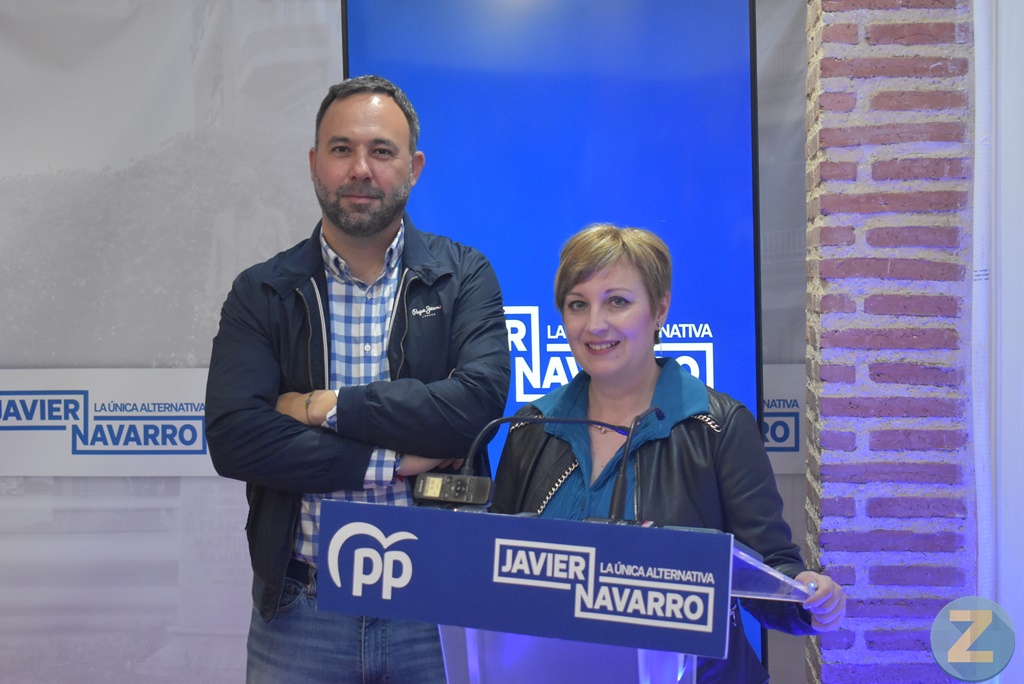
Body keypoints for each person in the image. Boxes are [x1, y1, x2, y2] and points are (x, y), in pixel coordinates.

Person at [205, 75, 511, 684]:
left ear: (414, 166)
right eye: (342, 149)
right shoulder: (261, 291)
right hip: (301, 613)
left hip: (439, 606)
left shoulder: (464, 275)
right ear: (315, 162)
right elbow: (237, 436)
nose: (361, 169)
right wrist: (392, 463)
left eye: (382, 150)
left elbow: (475, 406)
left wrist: (322, 406)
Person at [490, 223, 844, 683]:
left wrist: (808, 599)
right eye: (578, 304)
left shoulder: (718, 426)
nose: (594, 324)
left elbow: (768, 572)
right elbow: (494, 571)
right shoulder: (531, 427)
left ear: (659, 310)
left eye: (617, 301)